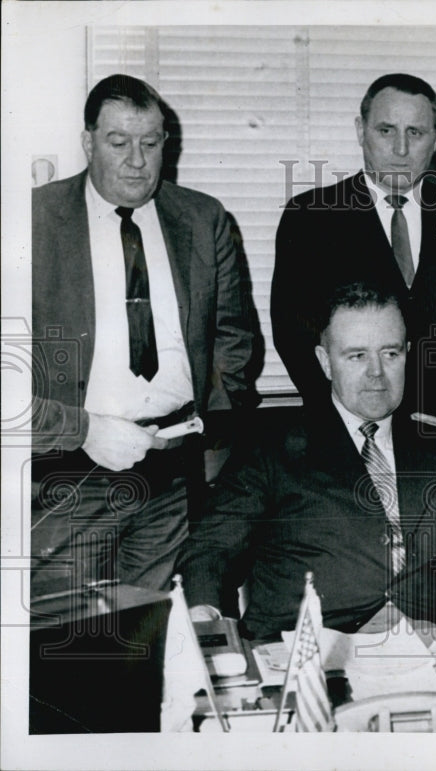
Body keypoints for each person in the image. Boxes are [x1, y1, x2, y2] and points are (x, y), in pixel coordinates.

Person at [178, 282, 436, 639]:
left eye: (390, 353)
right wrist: (203, 611)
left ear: (408, 354)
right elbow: (212, 549)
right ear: (325, 361)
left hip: (432, 646)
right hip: (310, 653)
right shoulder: (271, 447)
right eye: (356, 356)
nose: (376, 374)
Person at [30, 74, 258, 598]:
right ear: (88, 142)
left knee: (153, 639)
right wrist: (81, 430)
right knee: (68, 643)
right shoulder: (33, 220)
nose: (137, 160)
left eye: (150, 144)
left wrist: (213, 440)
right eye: (119, 142)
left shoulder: (203, 219)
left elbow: (233, 338)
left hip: (174, 472)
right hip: (70, 476)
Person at [271, 73, 436, 446]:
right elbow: (295, 338)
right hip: (348, 440)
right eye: (386, 131)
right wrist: (345, 426)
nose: (400, 149)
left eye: (415, 133)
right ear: (360, 130)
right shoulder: (311, 218)